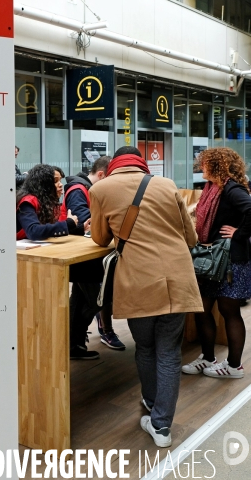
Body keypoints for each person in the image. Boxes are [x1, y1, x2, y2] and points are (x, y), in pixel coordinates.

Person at [90, 146, 203, 447]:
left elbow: (101, 239)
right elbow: (191, 237)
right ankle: (162, 426)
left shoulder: (100, 189)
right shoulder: (166, 185)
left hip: (139, 282)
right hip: (177, 280)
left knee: (145, 347)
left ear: (114, 165)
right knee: (169, 351)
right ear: (142, 164)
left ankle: (152, 403)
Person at [182, 147, 251, 379]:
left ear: (216, 166)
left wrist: (239, 233)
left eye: (205, 163)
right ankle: (208, 357)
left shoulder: (232, 188)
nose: (201, 167)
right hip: (212, 259)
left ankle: (234, 366)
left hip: (230, 260)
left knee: (228, 310)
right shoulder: (213, 188)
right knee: (201, 309)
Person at [61, 156, 126, 351]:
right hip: (81, 256)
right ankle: (76, 343)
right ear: (101, 174)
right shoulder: (79, 190)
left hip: (87, 254)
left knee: (83, 298)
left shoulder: (85, 189)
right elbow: (86, 222)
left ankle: (75, 345)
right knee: (97, 300)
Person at [16, 163, 88, 241]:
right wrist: (68, 224)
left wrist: (79, 229)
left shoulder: (47, 202)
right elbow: (34, 231)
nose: (61, 185)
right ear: (43, 184)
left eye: (60, 180)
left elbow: (48, 230)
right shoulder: (27, 202)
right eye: (55, 181)